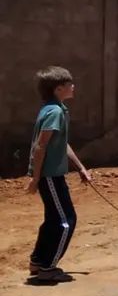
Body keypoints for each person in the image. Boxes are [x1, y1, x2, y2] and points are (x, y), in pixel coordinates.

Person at [27, 66, 91, 281]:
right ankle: (47, 268)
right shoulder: (54, 112)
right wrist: (36, 179)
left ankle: (37, 262)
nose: (73, 86)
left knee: (53, 219)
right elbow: (40, 146)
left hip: (52, 176)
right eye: (69, 84)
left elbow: (61, 144)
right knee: (66, 221)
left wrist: (80, 167)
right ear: (58, 88)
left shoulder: (54, 108)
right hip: (50, 176)